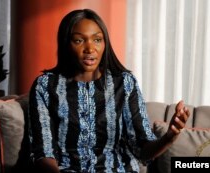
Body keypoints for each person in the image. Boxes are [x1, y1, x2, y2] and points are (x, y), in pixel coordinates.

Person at [28, 9, 190, 173]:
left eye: (97, 40)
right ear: (66, 44)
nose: (90, 48)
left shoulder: (125, 83)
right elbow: (43, 152)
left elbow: (142, 148)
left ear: (105, 43)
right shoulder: (45, 86)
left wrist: (170, 136)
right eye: (78, 40)